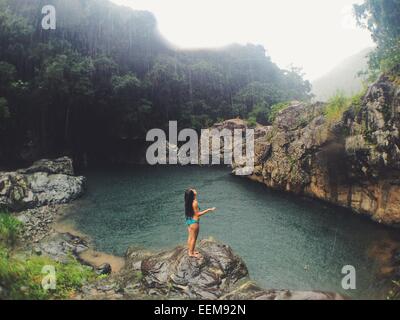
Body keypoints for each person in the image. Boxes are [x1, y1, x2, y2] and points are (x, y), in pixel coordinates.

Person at [184, 189, 216, 258]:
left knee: (190, 236)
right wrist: (209, 210)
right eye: (192, 190)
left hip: (189, 220)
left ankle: (190, 250)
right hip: (194, 222)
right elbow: (197, 214)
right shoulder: (194, 202)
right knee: (194, 238)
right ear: (192, 194)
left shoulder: (188, 201)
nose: (193, 189)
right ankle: (191, 253)